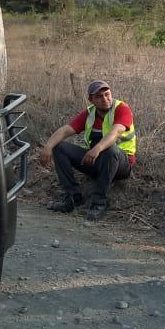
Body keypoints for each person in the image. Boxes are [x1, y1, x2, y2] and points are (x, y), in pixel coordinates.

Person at [39, 80, 135, 222]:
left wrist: (97, 149)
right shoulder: (89, 113)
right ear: (91, 100)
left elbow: (115, 132)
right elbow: (66, 130)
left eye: (107, 94)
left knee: (111, 150)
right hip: (96, 161)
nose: (105, 99)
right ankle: (73, 197)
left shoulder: (122, 108)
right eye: (99, 96)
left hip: (121, 163)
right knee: (59, 147)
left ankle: (99, 203)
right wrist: (48, 146)